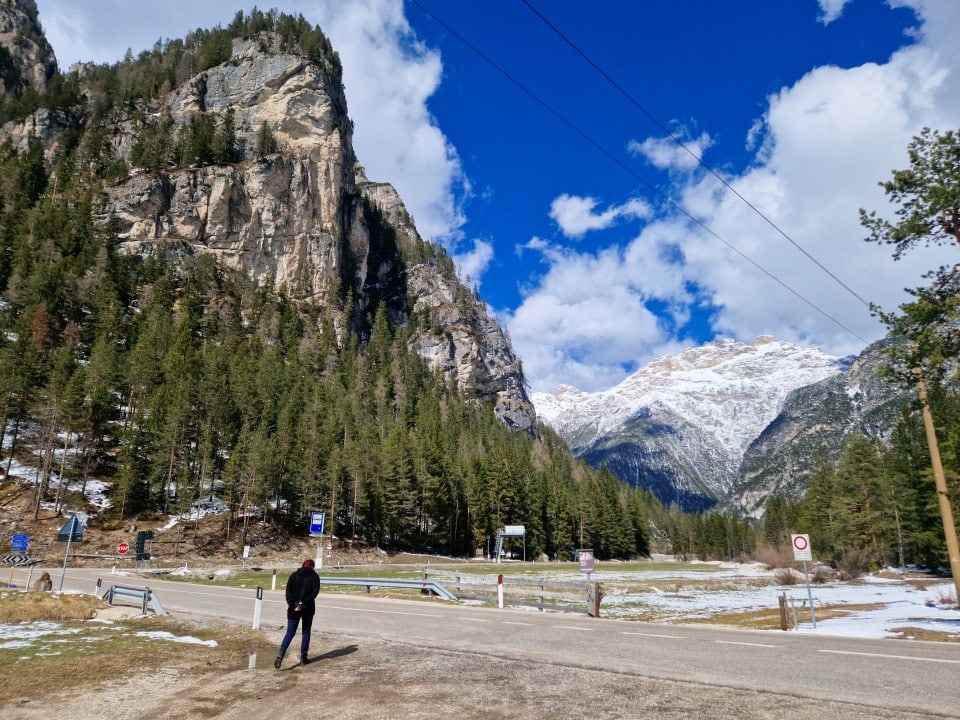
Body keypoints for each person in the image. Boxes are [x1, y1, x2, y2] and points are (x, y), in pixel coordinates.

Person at [275, 558, 321, 669]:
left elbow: (288, 592)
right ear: (312, 567)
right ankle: (303, 658)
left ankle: (281, 653)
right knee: (306, 632)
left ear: (302, 565)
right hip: (308, 608)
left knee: (290, 632)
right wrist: (303, 603)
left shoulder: (293, 575)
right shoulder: (315, 577)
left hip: (293, 608)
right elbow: (314, 594)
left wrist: (294, 604)